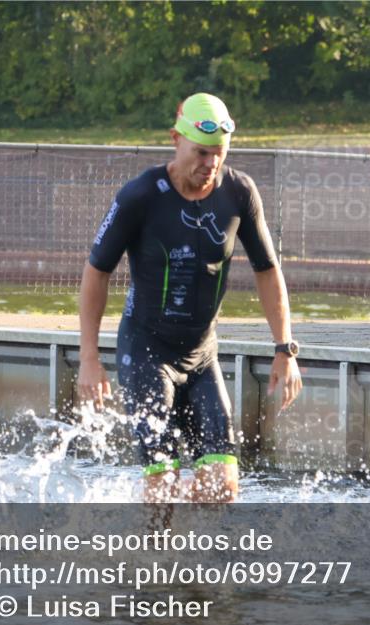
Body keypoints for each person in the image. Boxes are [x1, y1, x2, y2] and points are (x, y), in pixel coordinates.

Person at [77, 92, 302, 503]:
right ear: (175, 140)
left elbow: (268, 271)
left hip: (201, 357)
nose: (211, 163)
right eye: (201, 152)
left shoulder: (239, 192)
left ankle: (155, 525)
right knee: (162, 484)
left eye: (219, 153)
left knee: (223, 488)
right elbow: (96, 273)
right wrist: (89, 359)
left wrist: (284, 348)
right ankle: (145, 535)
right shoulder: (141, 196)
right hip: (146, 352)